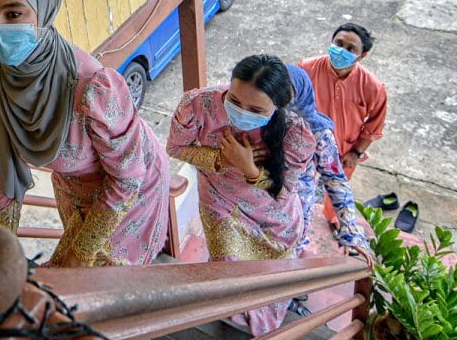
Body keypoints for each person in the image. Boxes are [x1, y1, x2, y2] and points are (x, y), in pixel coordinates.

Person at [0, 0, 170, 267]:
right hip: (73, 186)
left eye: (13, 14)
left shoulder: (92, 88)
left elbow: (127, 178)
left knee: (99, 277)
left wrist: (82, 252)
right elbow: (4, 166)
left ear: (45, 11)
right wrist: (3, 243)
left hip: (132, 186)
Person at [166, 55, 315, 336]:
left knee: (272, 282)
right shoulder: (197, 105)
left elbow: (284, 191)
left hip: (273, 218)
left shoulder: (295, 133)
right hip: (221, 205)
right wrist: (221, 159)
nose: (241, 113)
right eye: (233, 101)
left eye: (256, 110)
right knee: (230, 279)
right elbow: (175, 148)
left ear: (277, 107)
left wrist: (249, 168)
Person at [285, 64, 371, 317]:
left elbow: (335, 179)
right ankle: (279, 298)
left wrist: (351, 231)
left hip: (296, 214)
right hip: (256, 211)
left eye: (286, 94)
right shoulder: (260, 120)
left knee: (290, 254)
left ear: (301, 93)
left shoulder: (317, 132)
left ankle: (286, 296)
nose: (279, 102)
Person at [298, 23, 387, 224]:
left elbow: (374, 125)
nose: (341, 51)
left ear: (362, 55)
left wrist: (356, 153)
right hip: (305, 145)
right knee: (300, 188)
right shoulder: (306, 68)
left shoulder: (373, 87)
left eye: (350, 49)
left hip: (343, 151)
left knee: (338, 191)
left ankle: (333, 220)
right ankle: (297, 222)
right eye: (338, 43)